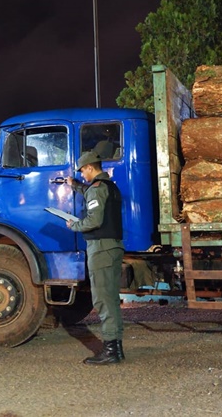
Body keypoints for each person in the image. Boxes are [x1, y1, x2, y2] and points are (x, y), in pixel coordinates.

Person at [64, 151, 125, 365]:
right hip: (112, 247)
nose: (83, 174)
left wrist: (74, 225)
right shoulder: (110, 187)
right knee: (111, 299)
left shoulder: (97, 190)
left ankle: (110, 351)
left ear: (90, 167)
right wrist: (75, 185)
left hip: (101, 249)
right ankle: (116, 349)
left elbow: (94, 220)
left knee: (103, 300)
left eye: (83, 171)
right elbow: (91, 194)